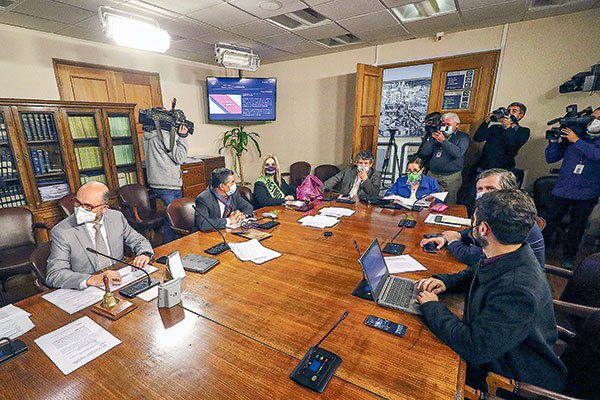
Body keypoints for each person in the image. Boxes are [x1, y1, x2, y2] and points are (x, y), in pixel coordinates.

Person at [415, 189, 567, 393]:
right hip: (499, 350)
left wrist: (432, 307)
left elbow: (474, 347)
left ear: (483, 229)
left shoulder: (517, 292)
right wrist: (446, 283)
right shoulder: (514, 252)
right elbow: (478, 271)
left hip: (509, 380)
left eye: (474, 221)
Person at [420, 169, 545, 269]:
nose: (483, 193)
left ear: (508, 192)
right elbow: (475, 231)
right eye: (480, 189)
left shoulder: (511, 218)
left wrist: (453, 241)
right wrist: (451, 236)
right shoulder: (495, 211)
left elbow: (474, 257)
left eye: (490, 189)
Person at [46, 181, 153, 290]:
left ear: (104, 208)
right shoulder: (62, 231)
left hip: (118, 281)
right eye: (77, 203)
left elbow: (138, 240)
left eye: (88, 206)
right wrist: (91, 280)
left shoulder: (116, 217)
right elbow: (54, 274)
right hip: (89, 289)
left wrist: (144, 254)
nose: (80, 209)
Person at [543, 107, 600, 269]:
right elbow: (551, 158)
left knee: (577, 226)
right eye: (593, 117)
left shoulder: (577, 139)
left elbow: (596, 155)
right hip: (563, 189)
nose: (594, 121)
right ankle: (538, 250)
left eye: (599, 118)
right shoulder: (574, 135)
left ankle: (568, 256)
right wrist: (553, 141)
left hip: (587, 192)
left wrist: (577, 141)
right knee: (550, 221)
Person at [463, 102, 530, 211]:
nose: (509, 113)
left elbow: (512, 147)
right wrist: (486, 121)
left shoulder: (523, 131)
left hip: (500, 172)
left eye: (514, 111)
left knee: (494, 203)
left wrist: (507, 128)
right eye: (508, 110)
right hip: (482, 169)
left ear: (521, 116)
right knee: (470, 199)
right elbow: (478, 138)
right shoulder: (495, 128)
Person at [142, 121, 189, 243]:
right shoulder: (165, 135)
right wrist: (182, 137)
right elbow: (180, 157)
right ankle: (174, 247)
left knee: (168, 216)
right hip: (169, 182)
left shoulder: (147, 134)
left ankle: (170, 246)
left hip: (155, 181)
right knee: (174, 218)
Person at [418, 112, 469, 204]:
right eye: (443, 124)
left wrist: (443, 141)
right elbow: (424, 153)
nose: (445, 126)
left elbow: (458, 153)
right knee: (427, 200)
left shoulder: (462, 137)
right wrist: (432, 139)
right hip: (432, 174)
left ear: (456, 125)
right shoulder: (437, 135)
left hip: (451, 177)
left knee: (448, 203)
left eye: (448, 124)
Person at [194, 167, 254, 232]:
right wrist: (229, 220)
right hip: (208, 235)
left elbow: (248, 206)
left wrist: (242, 215)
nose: (235, 185)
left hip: (228, 232)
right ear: (222, 186)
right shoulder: (203, 199)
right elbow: (203, 224)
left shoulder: (233, 193)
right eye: (232, 182)